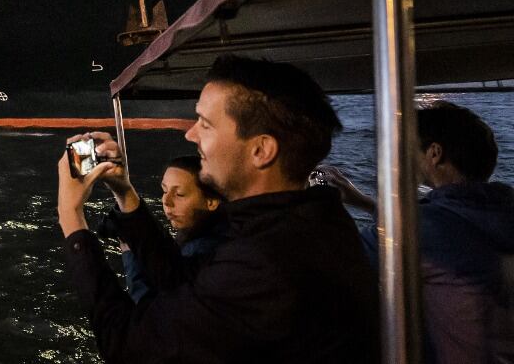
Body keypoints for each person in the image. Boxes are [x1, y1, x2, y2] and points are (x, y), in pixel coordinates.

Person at [56, 54, 379, 363]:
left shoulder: (265, 261)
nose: (189, 133)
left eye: (205, 124)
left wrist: (71, 216)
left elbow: (127, 342)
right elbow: (182, 279)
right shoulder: (311, 223)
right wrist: (125, 192)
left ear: (261, 150)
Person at [319, 100, 514, 364]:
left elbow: (337, 263)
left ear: (434, 153)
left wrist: (319, 205)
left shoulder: (422, 226)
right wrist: (365, 202)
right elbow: (447, 230)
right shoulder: (498, 210)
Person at [116, 156, 226, 302]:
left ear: (211, 201)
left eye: (179, 194)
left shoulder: (200, 252)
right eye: (164, 190)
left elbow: (152, 314)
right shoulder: (225, 230)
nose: (166, 202)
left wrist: (131, 256)